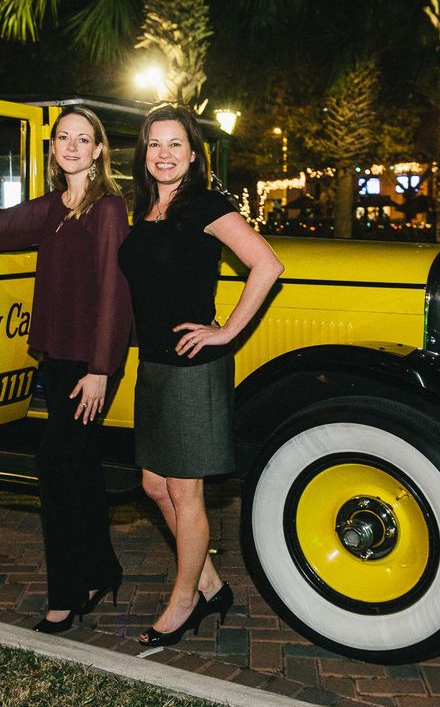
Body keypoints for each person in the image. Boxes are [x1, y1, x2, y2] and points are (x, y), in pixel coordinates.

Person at [0, 106, 131, 634]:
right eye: (63, 137)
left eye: (82, 139)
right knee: (82, 466)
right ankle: (101, 569)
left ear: (99, 150)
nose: (71, 146)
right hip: (61, 359)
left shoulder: (107, 208)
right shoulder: (53, 207)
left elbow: (116, 290)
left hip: (93, 364)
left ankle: (66, 594)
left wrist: (102, 369)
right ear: (54, 148)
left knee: (54, 465)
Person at [118, 104, 283, 648]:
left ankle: (183, 601)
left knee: (186, 491)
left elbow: (267, 264)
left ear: (193, 153)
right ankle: (210, 584)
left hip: (194, 367)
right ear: (144, 154)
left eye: (175, 145)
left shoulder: (206, 205)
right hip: (156, 365)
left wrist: (228, 331)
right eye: (154, 145)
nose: (163, 155)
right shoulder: (144, 209)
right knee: (152, 483)